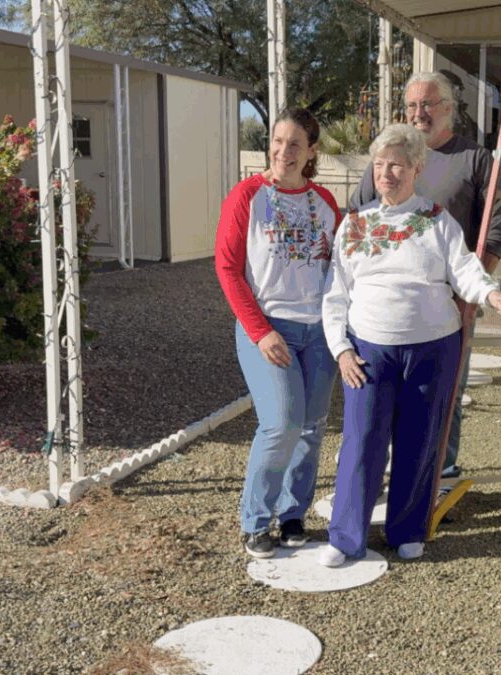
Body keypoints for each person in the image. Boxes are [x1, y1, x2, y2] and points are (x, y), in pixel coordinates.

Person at [317, 123, 501, 567]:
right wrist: (341, 350)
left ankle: (407, 529)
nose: (388, 173)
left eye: (398, 165)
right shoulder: (355, 225)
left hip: (433, 347)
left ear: (416, 169)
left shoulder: (436, 219)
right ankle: (346, 535)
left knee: (420, 439)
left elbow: (463, 269)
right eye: (382, 164)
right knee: (362, 440)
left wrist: (489, 293)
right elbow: (335, 293)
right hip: (369, 349)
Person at [349, 71, 501, 482]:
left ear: (447, 109)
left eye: (427, 104)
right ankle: (393, 472)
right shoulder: (387, 159)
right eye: (411, 106)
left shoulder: (475, 159)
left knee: (447, 389)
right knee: (384, 391)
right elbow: (356, 221)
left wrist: (470, 293)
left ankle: (443, 471)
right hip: (389, 307)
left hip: (449, 303)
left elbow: (497, 231)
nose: (418, 113)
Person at [214, 108, 341, 560]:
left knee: (312, 427)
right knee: (282, 423)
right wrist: (259, 330)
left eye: (294, 144)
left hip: (320, 332)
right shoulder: (248, 196)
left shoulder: (325, 203)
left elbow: (342, 268)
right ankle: (254, 520)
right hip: (268, 329)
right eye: (277, 141)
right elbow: (228, 269)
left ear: (311, 151)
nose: (283, 151)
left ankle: (292, 514)